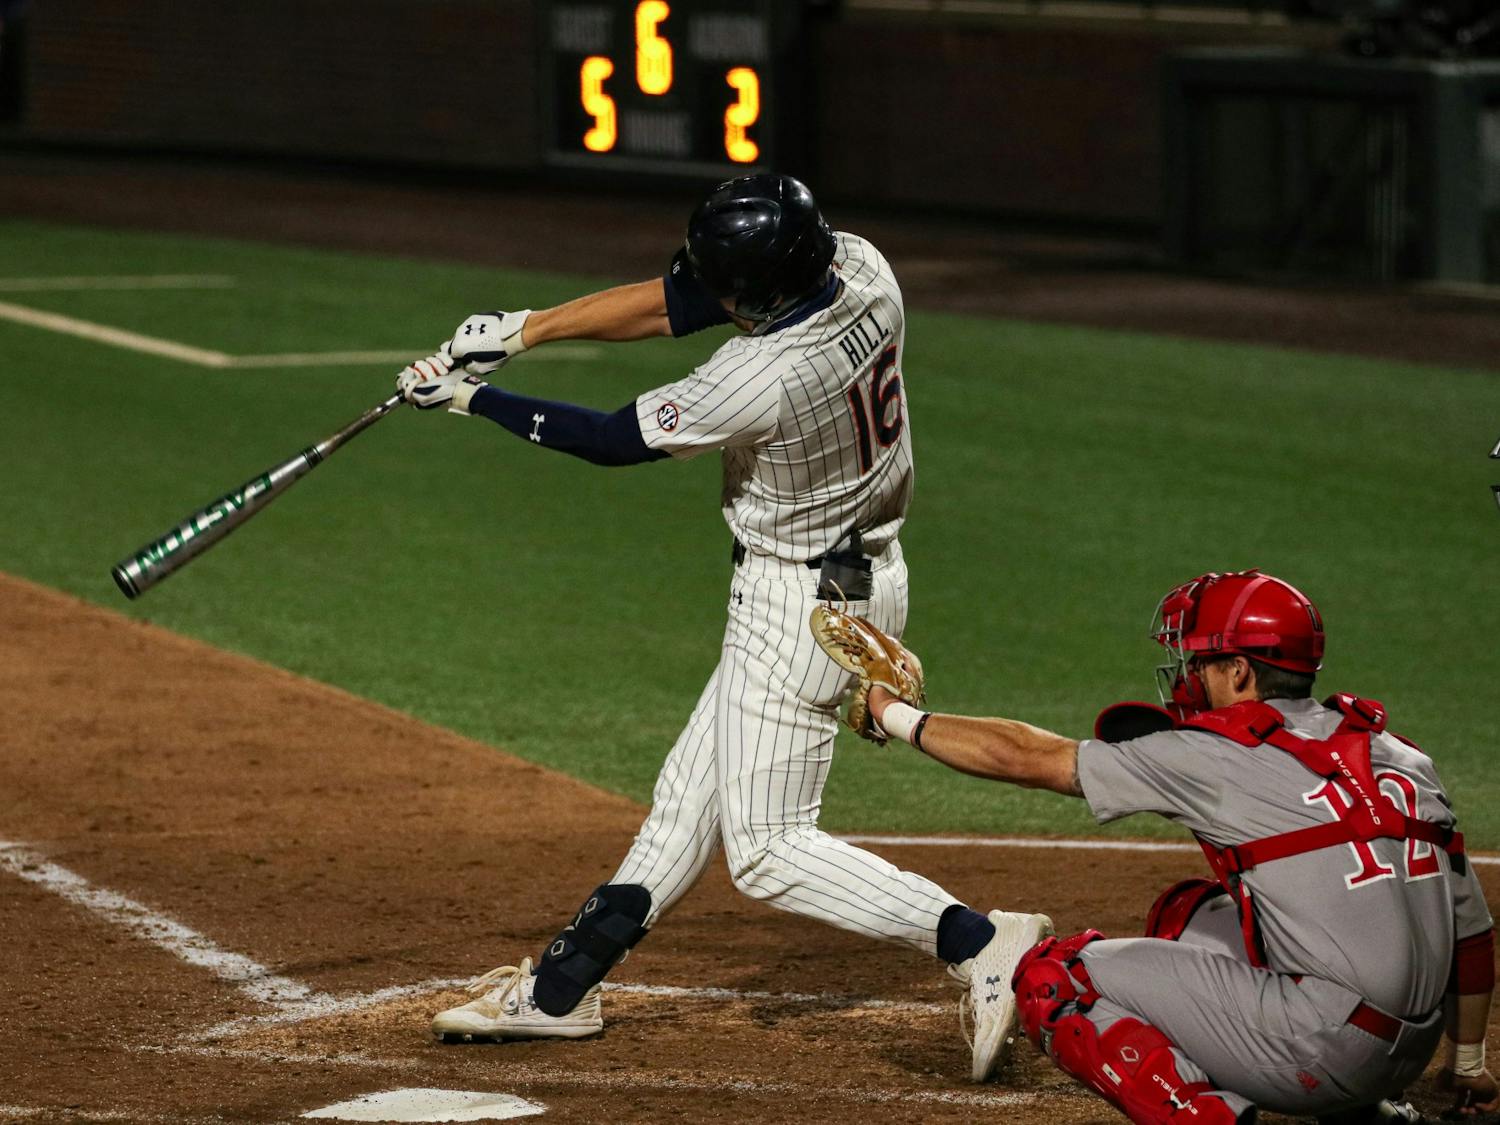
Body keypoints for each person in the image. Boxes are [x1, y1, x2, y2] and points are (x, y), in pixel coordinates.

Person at [393, 173, 1052, 1081]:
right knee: (686, 803)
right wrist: (523, 328)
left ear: (760, 290)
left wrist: (473, 400)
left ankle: (979, 940)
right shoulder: (863, 265)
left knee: (770, 850)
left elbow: (612, 438)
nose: (714, 294)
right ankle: (560, 990)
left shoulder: (761, 377)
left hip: (803, 608)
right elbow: (676, 301)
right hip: (851, 576)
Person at [831, 568, 1496, 1121]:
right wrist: (1466, 1063)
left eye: (1200, 658)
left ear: (1240, 672)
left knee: (1053, 978)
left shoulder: (1215, 754)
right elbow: (1471, 934)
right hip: (1412, 1048)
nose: (1186, 672)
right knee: (1187, 914)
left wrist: (895, 713)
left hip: (1327, 1051)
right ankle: (1370, 1108)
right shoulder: (1400, 755)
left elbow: (1028, 756)